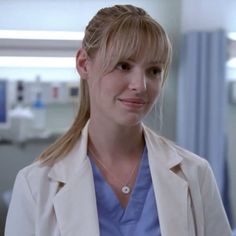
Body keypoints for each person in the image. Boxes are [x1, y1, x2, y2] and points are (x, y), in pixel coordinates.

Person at [5, 4, 231, 236]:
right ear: (83, 64)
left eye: (153, 70)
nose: (140, 85)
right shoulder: (35, 185)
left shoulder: (196, 174)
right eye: (123, 66)